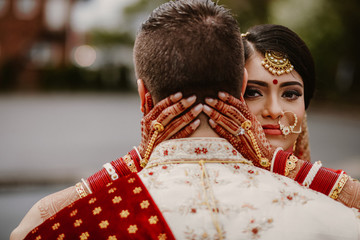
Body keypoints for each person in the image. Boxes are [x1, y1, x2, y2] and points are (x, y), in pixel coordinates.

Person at [12, 1, 360, 239]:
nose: (273, 110)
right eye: (254, 92)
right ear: (235, 89)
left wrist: (278, 164)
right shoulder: (334, 215)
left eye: (291, 93)